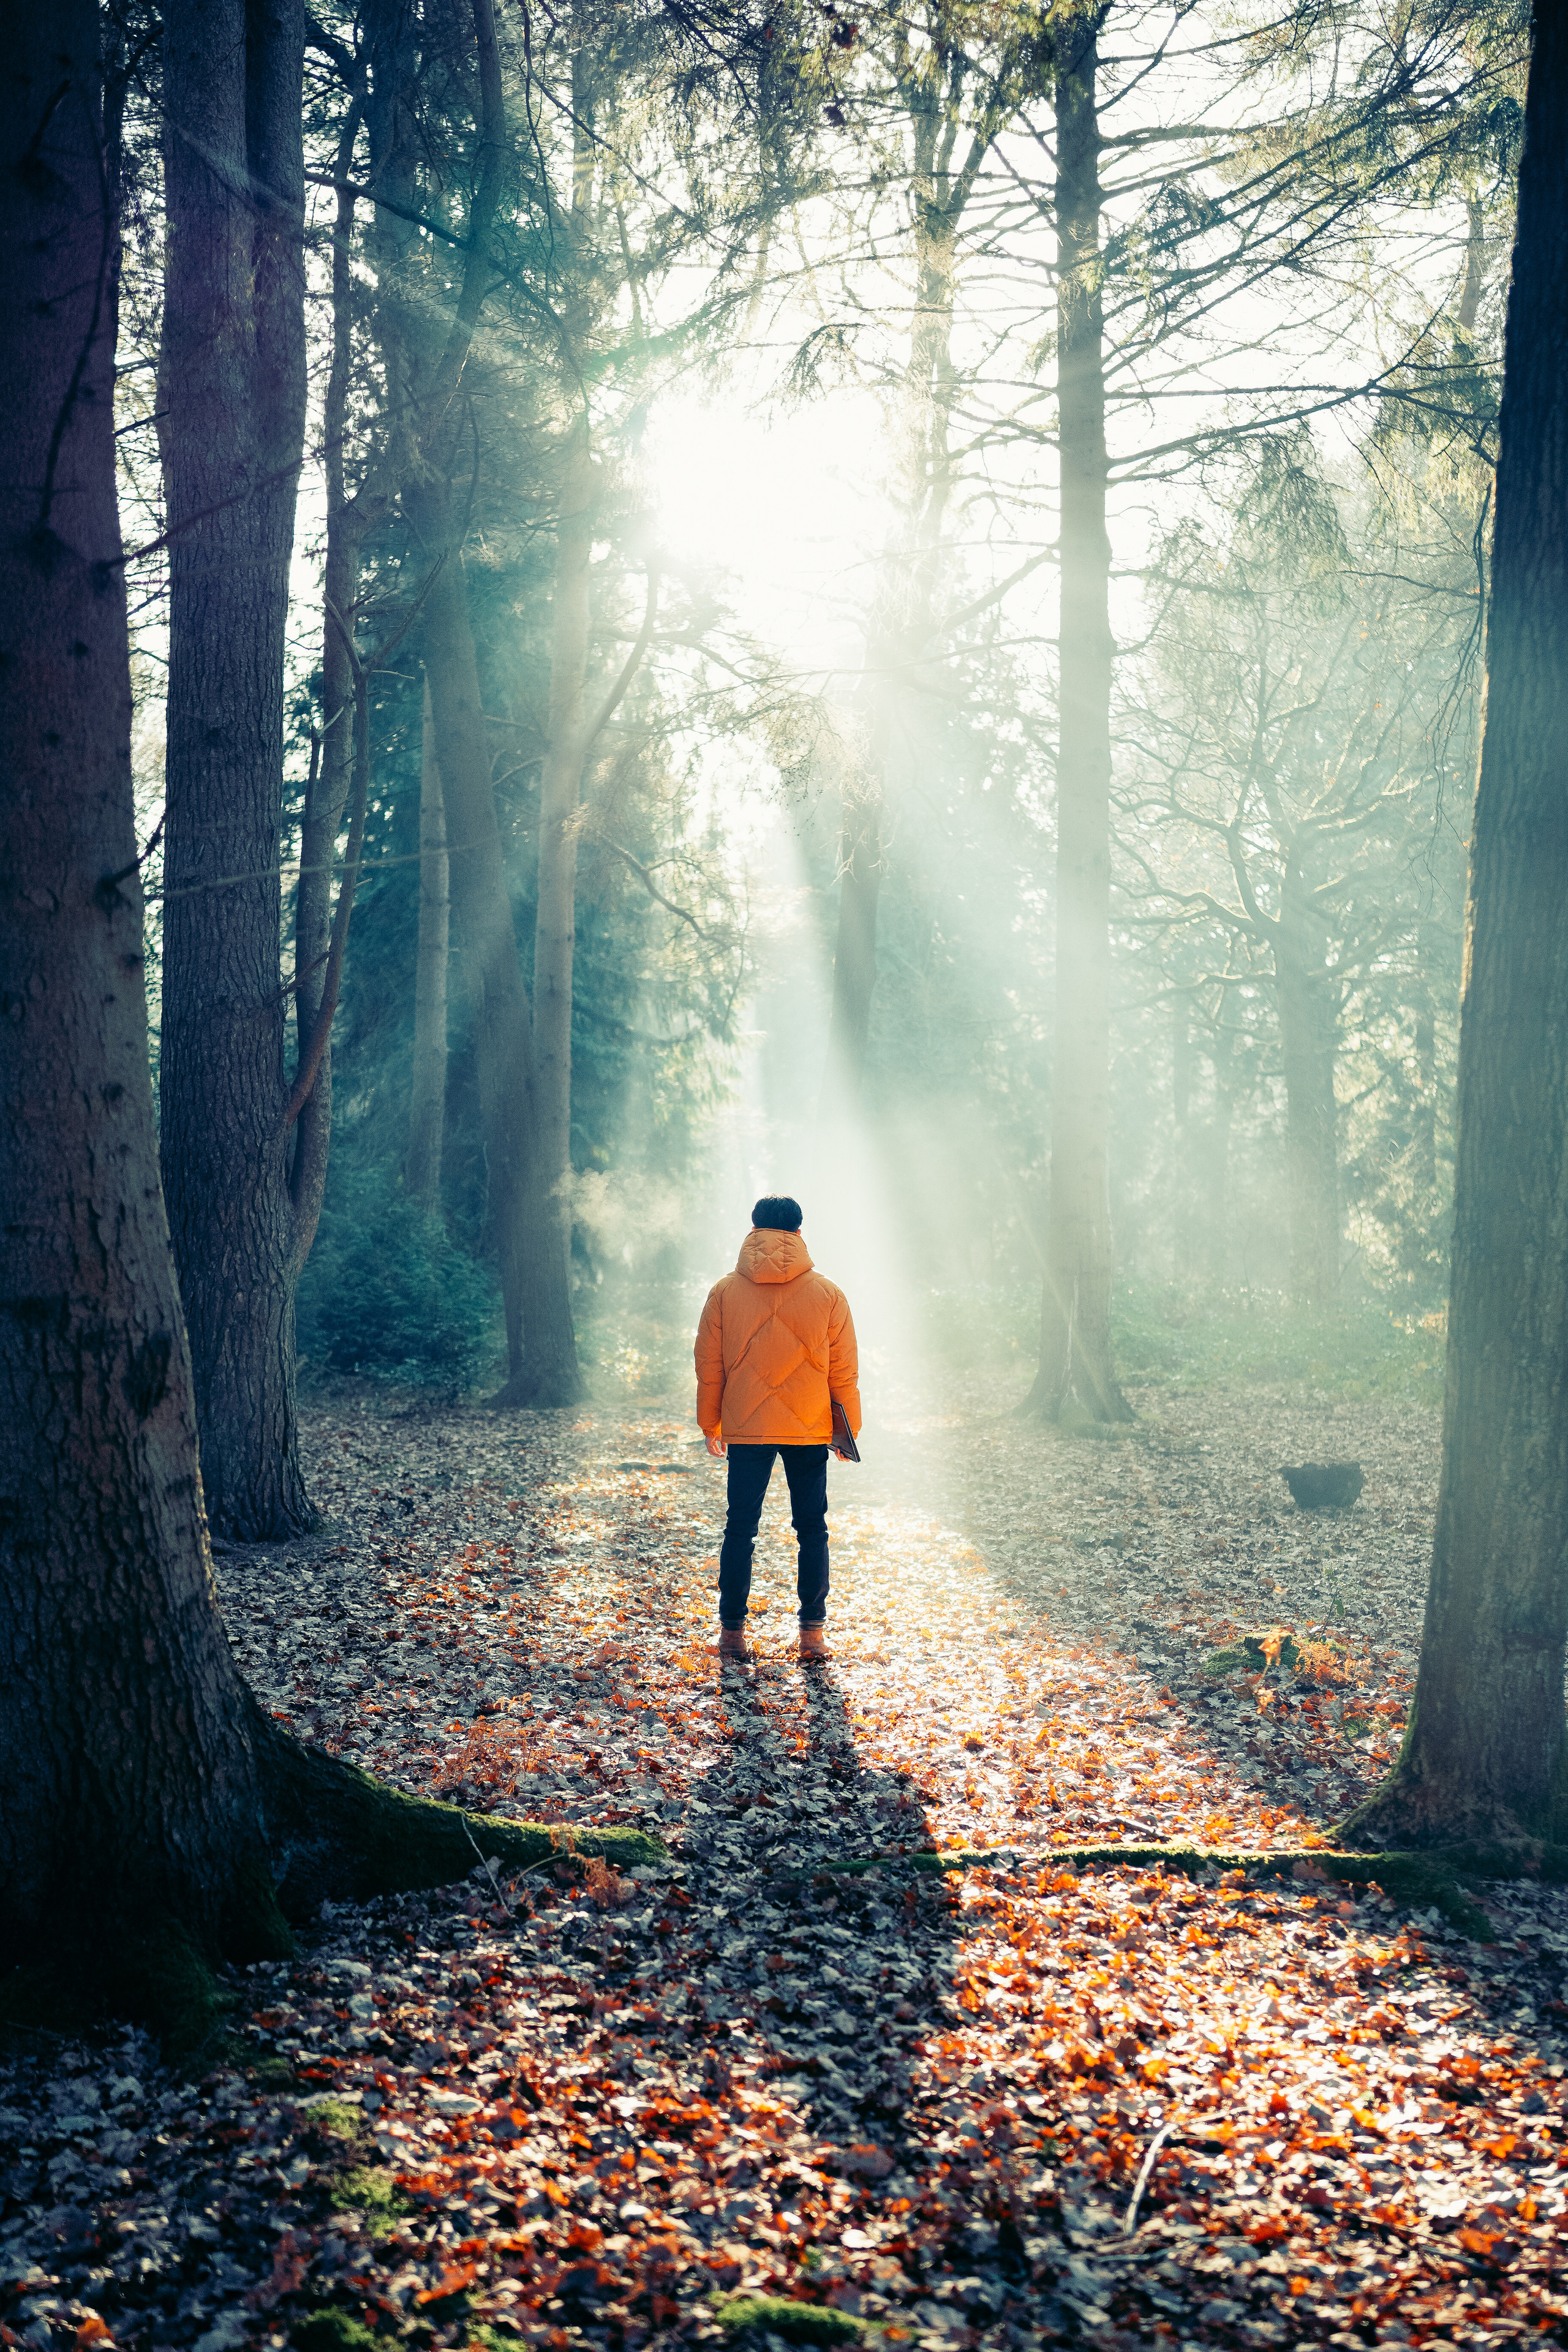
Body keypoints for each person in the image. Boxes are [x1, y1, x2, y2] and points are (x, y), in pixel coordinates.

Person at [694, 1194, 861, 1660]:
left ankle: (731, 1636)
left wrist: (711, 1422)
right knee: (812, 1529)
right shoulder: (829, 1294)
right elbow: (843, 1371)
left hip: (747, 1425)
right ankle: (812, 1636)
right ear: (799, 1234)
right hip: (809, 1426)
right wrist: (848, 1431)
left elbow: (709, 1365)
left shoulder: (724, 1291)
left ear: (754, 1231)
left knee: (740, 1528)